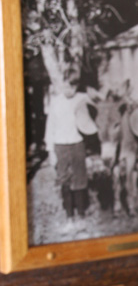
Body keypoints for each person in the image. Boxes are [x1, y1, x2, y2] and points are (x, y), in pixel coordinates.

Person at [44, 82, 90, 221]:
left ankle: (81, 214)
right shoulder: (56, 102)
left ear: (76, 87)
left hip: (77, 144)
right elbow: (50, 126)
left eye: (72, 87)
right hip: (60, 145)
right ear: (61, 86)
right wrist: (50, 151)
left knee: (80, 180)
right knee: (64, 180)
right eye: (66, 86)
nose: (69, 90)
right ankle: (69, 216)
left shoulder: (83, 98)